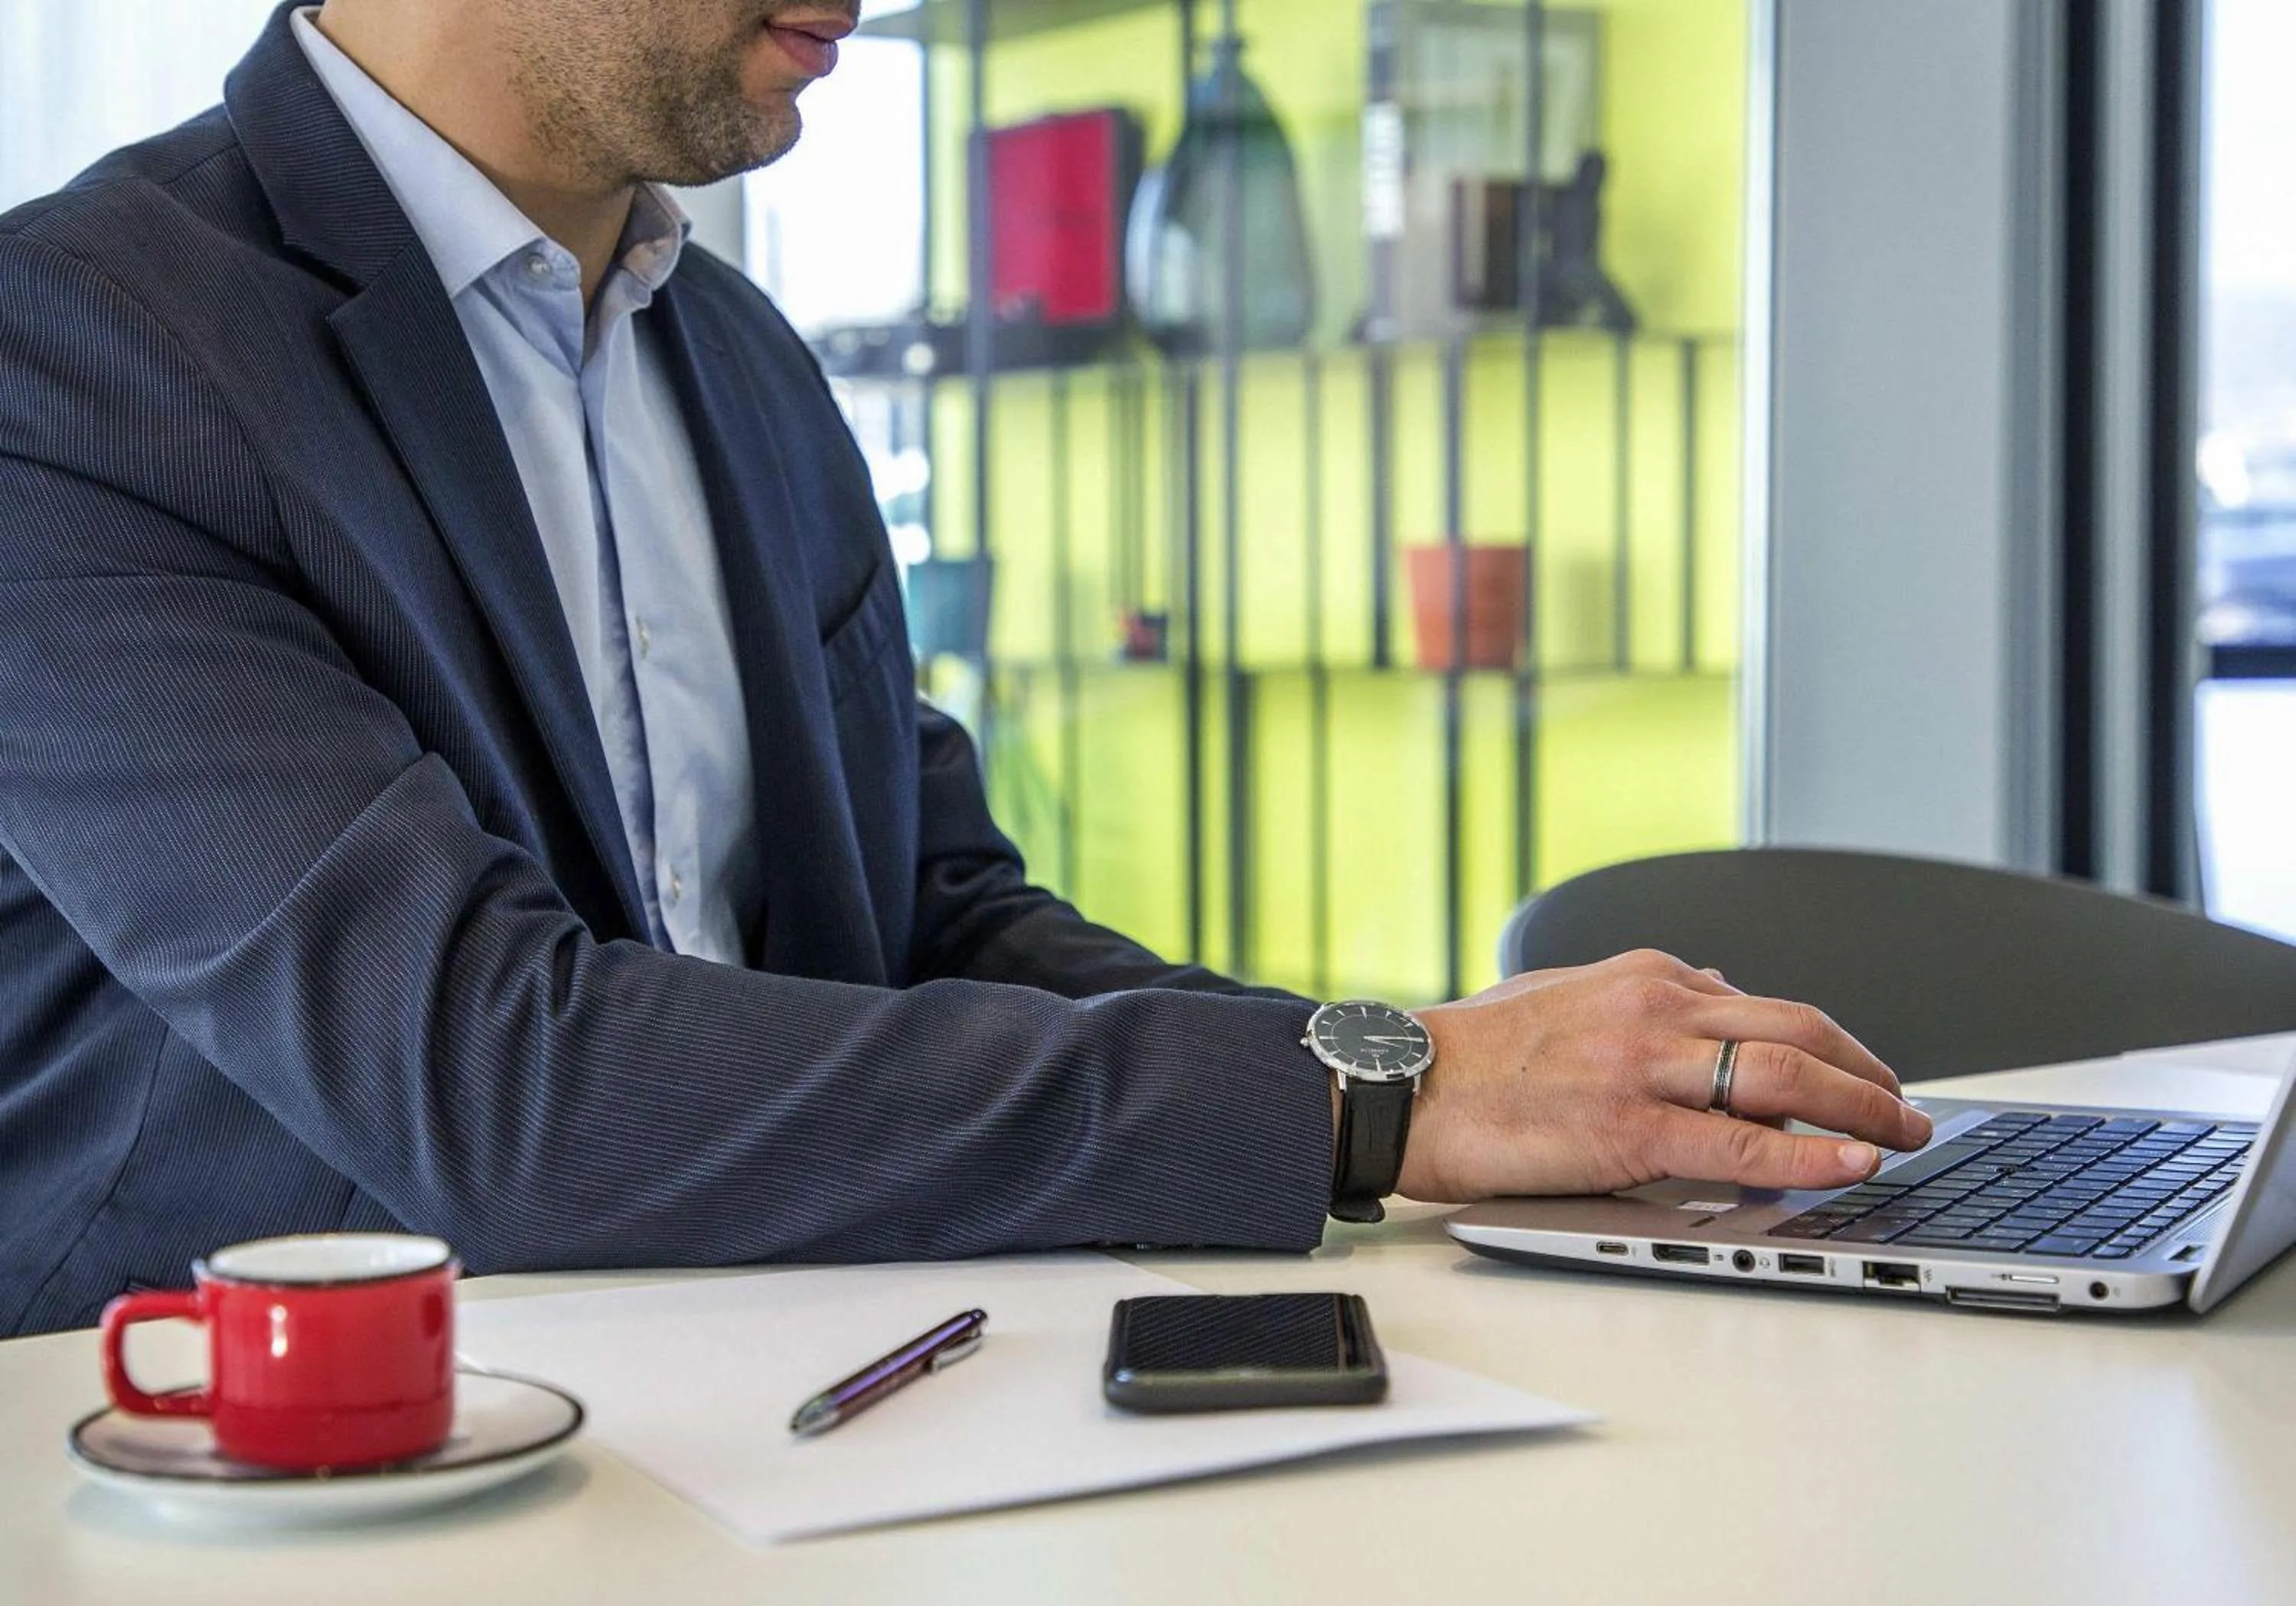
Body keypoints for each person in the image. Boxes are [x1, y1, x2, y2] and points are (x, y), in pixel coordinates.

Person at [0, 0, 1928, 1337]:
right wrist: (1380, 1101)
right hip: (237, 1484)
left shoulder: (738, 358)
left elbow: (940, 914)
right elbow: (496, 1083)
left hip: (799, 1396)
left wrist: (1441, 1085)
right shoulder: (81, 351)